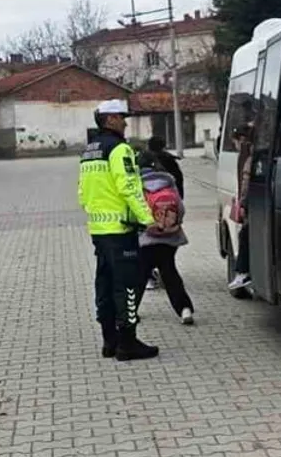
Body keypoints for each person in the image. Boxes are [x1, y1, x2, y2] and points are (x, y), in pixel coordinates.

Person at [77, 99, 159, 361]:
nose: (125, 122)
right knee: (128, 286)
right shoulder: (119, 149)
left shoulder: (90, 150)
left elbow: (82, 192)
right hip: (121, 228)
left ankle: (109, 342)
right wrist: (148, 218)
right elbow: (129, 187)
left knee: (104, 283)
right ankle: (128, 343)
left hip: (99, 228)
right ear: (110, 119)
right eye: (122, 117)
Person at [136, 151, 195, 325]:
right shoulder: (168, 180)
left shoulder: (136, 183)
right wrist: (173, 223)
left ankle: (130, 312)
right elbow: (180, 207)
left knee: (139, 276)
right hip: (170, 237)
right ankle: (184, 309)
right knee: (169, 273)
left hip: (146, 237)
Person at [228, 121, 254, 291]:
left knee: (245, 235)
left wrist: (243, 203)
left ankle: (243, 272)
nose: (236, 147)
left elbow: (246, 184)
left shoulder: (249, 159)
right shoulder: (252, 156)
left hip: (251, 205)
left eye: (236, 142)